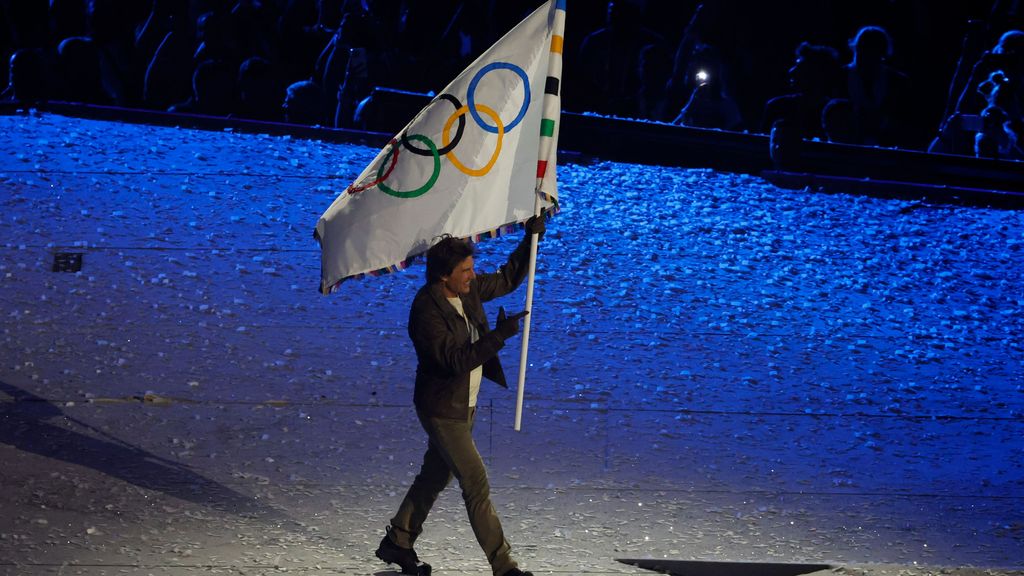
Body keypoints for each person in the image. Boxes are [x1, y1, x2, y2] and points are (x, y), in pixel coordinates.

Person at [375, 216, 546, 576]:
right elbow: (455, 361)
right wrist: (497, 336)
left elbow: (506, 279)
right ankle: (504, 567)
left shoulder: (465, 292)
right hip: (441, 409)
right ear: (443, 275)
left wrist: (530, 240)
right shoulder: (426, 311)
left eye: (472, 268)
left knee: (434, 477)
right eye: (465, 270)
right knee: (475, 482)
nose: (472, 275)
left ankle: (399, 541)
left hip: (463, 406)